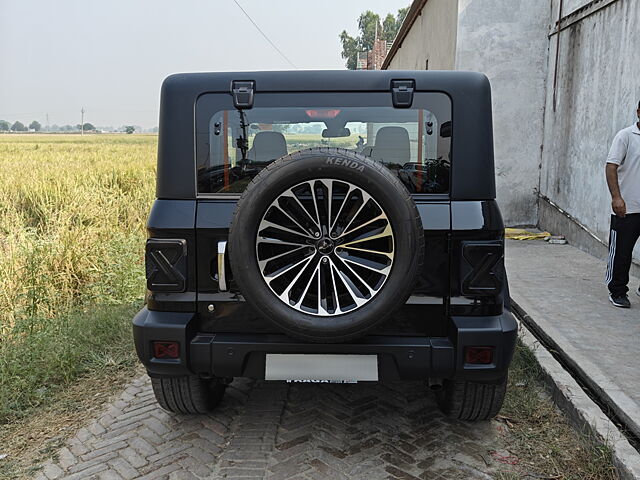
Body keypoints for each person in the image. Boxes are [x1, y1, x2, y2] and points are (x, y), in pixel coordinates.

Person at [605, 100, 640, 308]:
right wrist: (616, 197)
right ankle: (617, 291)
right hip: (627, 208)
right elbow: (611, 167)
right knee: (622, 252)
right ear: (638, 111)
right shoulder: (626, 136)